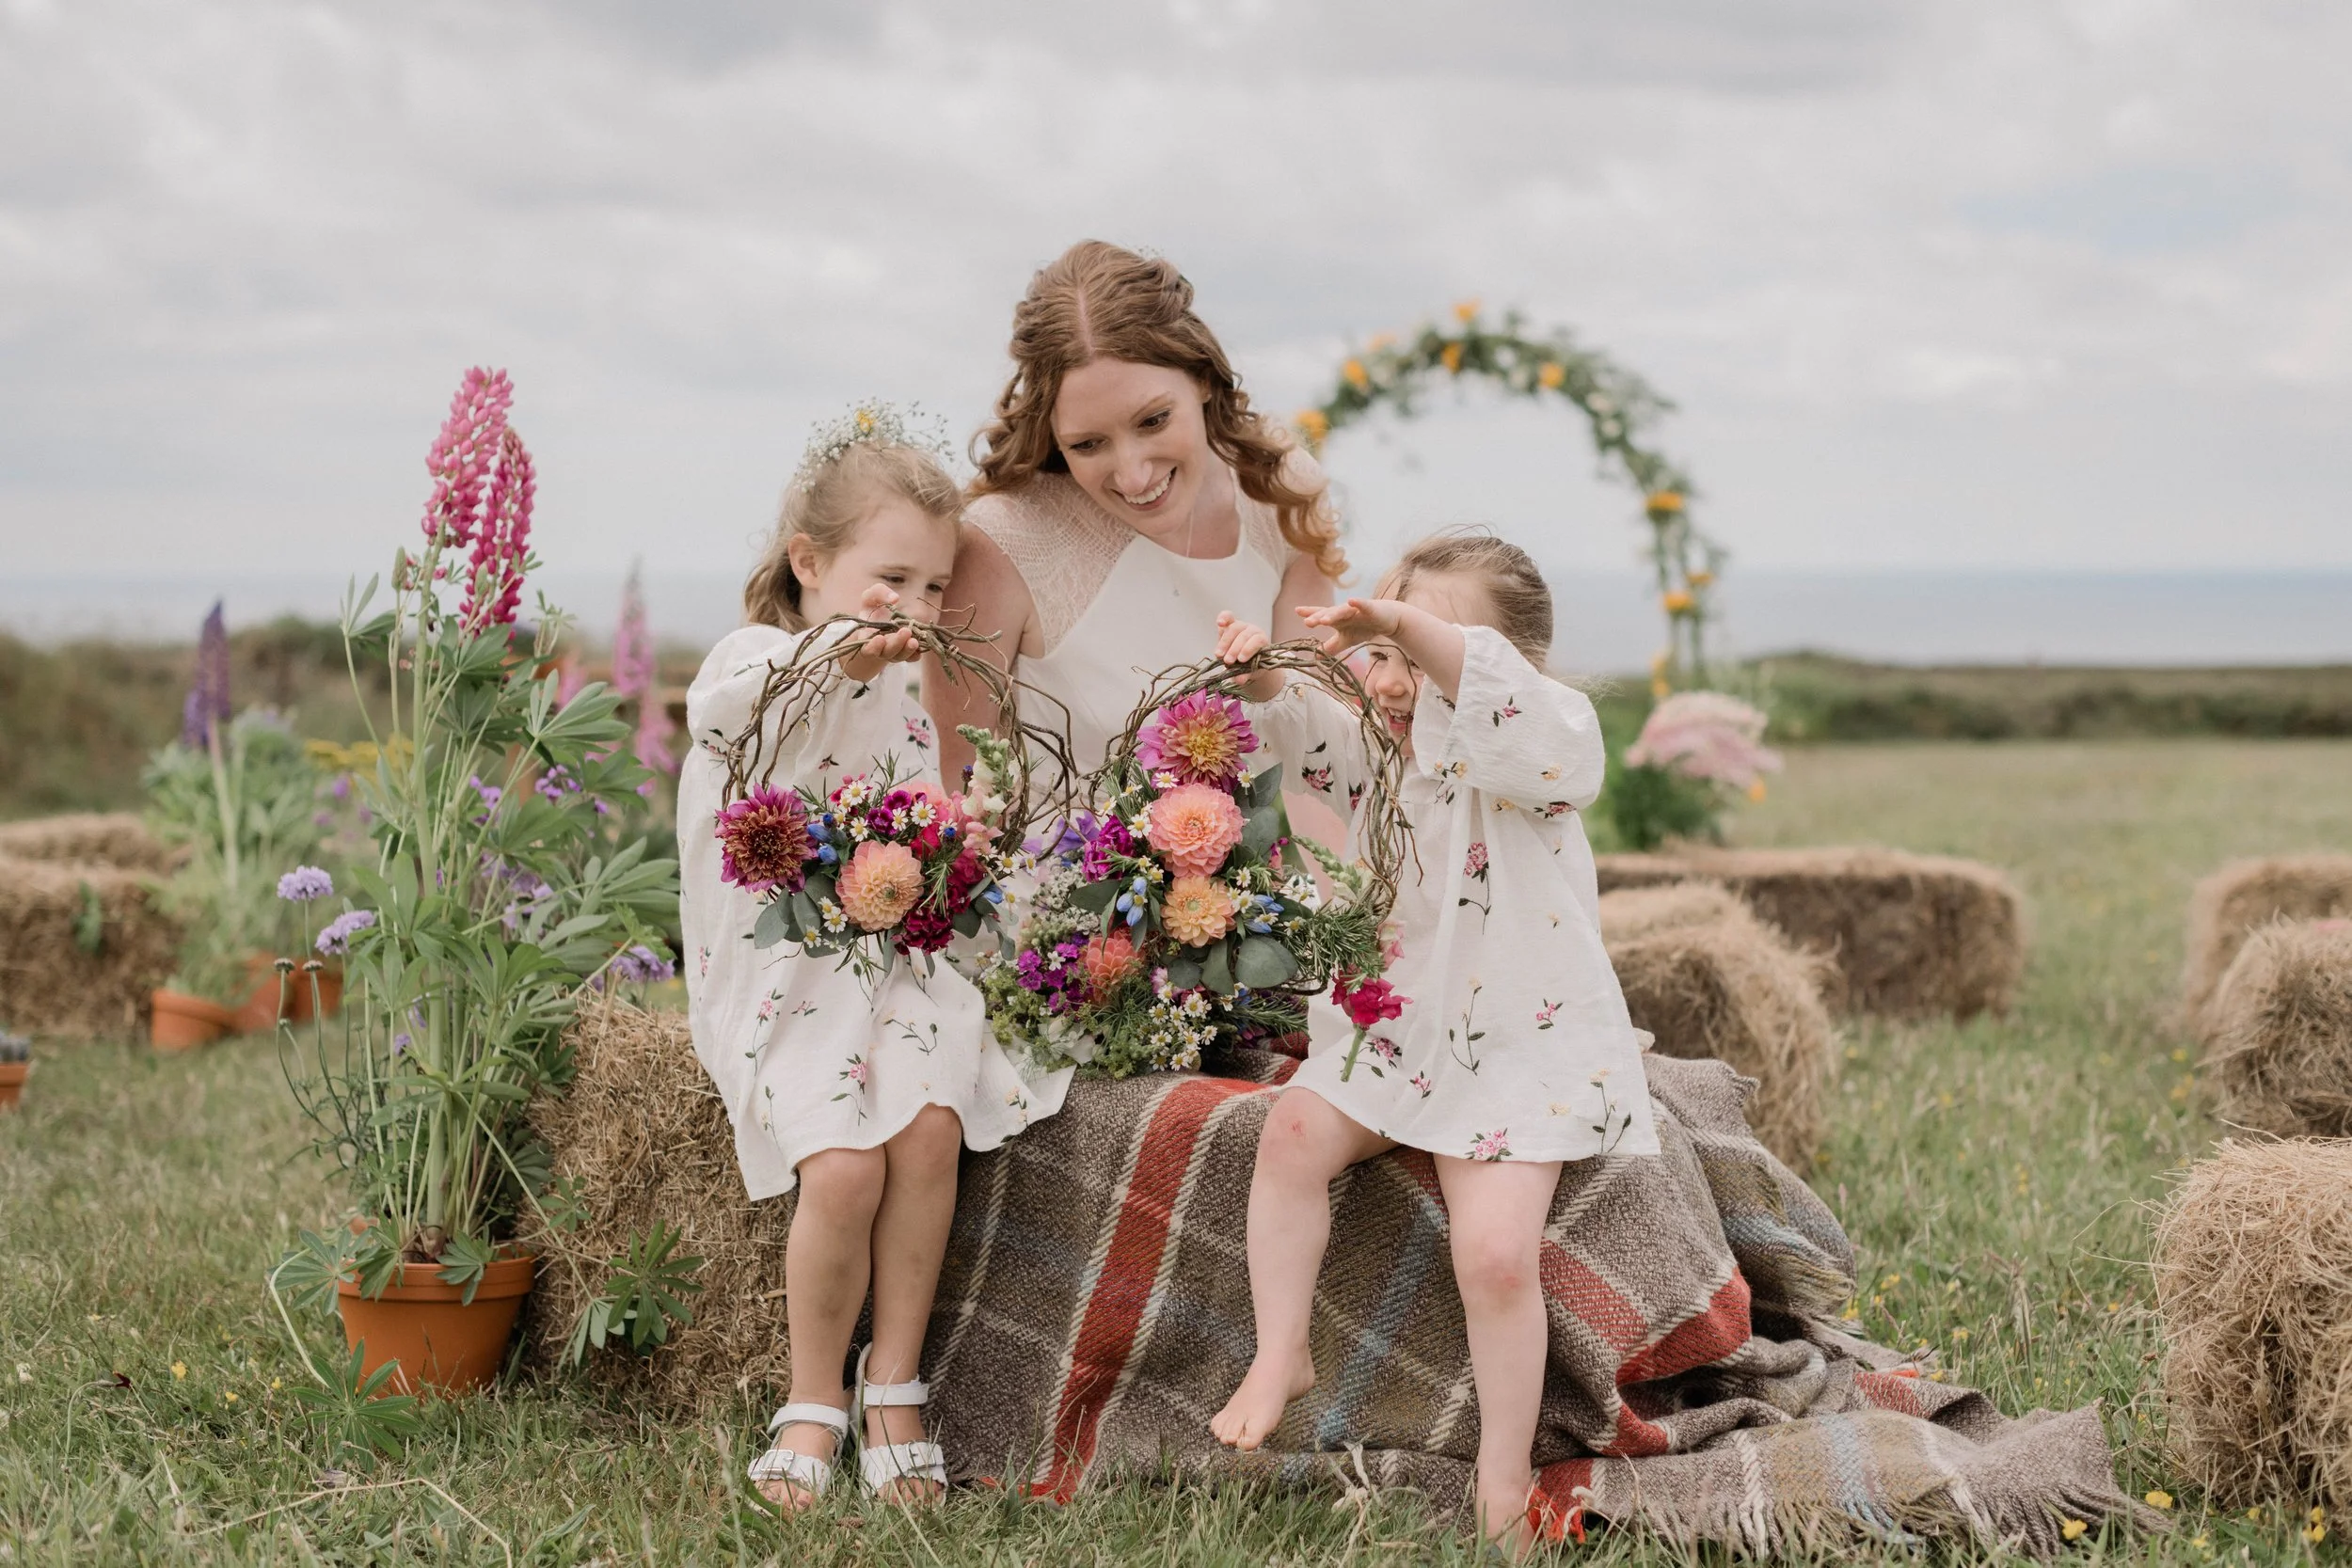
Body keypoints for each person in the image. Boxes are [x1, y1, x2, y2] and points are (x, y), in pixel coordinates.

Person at [1205, 531, 1661, 1555]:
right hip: (1402, 1027)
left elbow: (1498, 703)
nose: (1393, 678)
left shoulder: (1547, 740)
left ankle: (1505, 1467)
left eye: (1417, 655)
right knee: (1287, 1138)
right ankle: (1283, 1350)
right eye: (1380, 656)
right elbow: (1313, 739)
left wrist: (1407, 626)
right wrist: (1269, 675)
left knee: (1495, 1256)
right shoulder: (1388, 748)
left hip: (1518, 1043)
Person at [677, 409, 1057, 1513]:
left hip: (891, 953)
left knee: (930, 1128)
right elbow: (728, 720)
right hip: (784, 960)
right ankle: (813, 1396)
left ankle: (895, 1379)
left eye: (937, 587)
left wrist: (955, 831)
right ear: (810, 563)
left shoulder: (901, 682)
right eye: (894, 577)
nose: (921, 608)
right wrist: (838, 649)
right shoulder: (756, 659)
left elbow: (898, 808)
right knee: (842, 1166)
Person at [928, 239, 1344, 789]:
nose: (1133, 477)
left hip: (1261, 870)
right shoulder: (999, 543)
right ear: (1051, 433)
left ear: (1200, 376)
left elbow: (1320, 762)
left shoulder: (1279, 493)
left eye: (1152, 421)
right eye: (1088, 444)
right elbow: (962, 788)